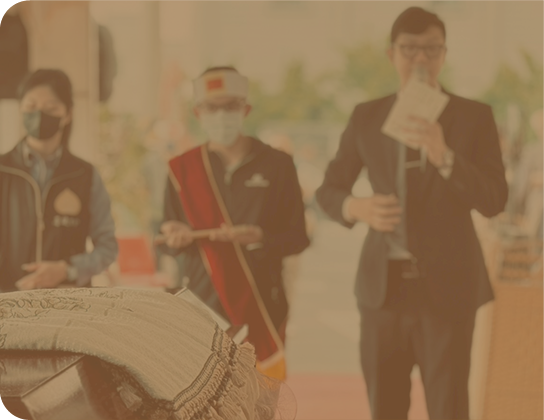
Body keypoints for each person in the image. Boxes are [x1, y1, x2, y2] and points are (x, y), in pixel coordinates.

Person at [316, 7, 508, 420]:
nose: (420, 58)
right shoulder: (367, 116)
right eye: (410, 49)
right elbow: (328, 191)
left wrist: (445, 156)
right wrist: (357, 207)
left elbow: (495, 199)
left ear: (444, 54)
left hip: (449, 289)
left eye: (431, 49)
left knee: (449, 409)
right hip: (383, 292)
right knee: (385, 408)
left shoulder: (473, 117)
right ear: (392, 54)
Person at [159, 66, 310, 380]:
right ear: (198, 113)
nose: (221, 115)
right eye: (211, 108)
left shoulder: (278, 165)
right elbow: (166, 237)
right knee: (200, 399)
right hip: (199, 307)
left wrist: (260, 238)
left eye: (230, 106)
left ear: (246, 109)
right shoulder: (181, 169)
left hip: (261, 305)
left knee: (259, 398)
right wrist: (174, 238)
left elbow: (298, 238)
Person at [0, 69, 118, 292]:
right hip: (7, 301)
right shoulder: (3, 170)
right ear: (20, 110)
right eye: (30, 107)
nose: (39, 115)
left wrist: (67, 270)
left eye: (51, 108)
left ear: (67, 114)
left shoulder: (84, 175)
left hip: (68, 301)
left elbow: (107, 247)